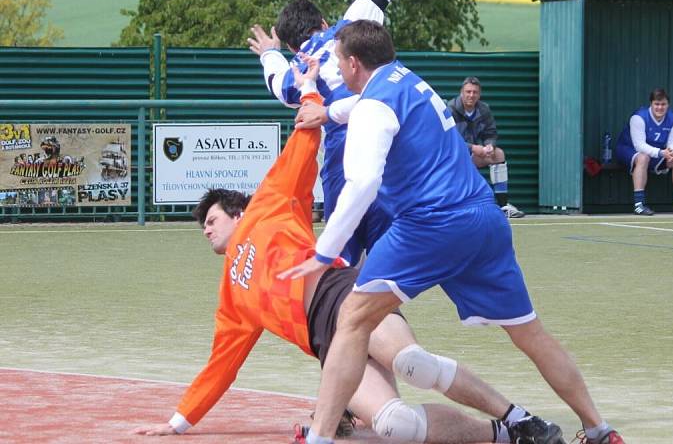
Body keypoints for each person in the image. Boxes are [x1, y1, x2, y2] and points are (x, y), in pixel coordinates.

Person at [133, 59, 566, 444]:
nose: (207, 231)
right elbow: (221, 365)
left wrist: (308, 86)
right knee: (396, 425)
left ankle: (519, 416)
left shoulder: (267, 204)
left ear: (237, 212)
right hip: (325, 342)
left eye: (211, 220)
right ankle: (502, 435)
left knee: (413, 364)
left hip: (345, 295)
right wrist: (179, 421)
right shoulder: (232, 297)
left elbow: (303, 143)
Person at [281, 20, 625, 444]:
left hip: (430, 225)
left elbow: (363, 184)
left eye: (337, 61)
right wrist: (327, 112)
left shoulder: (373, 108)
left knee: (352, 319)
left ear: (353, 64)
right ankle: (600, 429)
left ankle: (319, 437)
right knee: (529, 334)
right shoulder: (406, 78)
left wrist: (324, 251)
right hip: (484, 219)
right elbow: (363, 106)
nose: (336, 68)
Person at [247, 0, 441, 266]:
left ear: (291, 42)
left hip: (343, 169)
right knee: (389, 274)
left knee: (344, 276)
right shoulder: (351, 25)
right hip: (390, 163)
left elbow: (278, 83)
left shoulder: (300, 74)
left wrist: (268, 53)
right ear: (322, 19)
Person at [447, 76, 525, 218]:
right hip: (452, 158)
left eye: (475, 92)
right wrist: (472, 148)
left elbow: (491, 133)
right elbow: (450, 140)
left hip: (475, 154)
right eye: (468, 91)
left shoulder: (484, 109)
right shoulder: (450, 109)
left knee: (498, 154)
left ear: (479, 94)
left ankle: (503, 205)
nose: (471, 95)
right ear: (461, 92)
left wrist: (490, 145)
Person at [613, 88, 673, 216]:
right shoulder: (639, 117)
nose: (660, 107)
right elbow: (639, 146)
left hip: (656, 152)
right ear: (651, 104)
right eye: (657, 104)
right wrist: (661, 153)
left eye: (663, 104)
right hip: (628, 150)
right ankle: (639, 205)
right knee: (643, 158)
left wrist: (672, 152)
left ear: (668, 105)